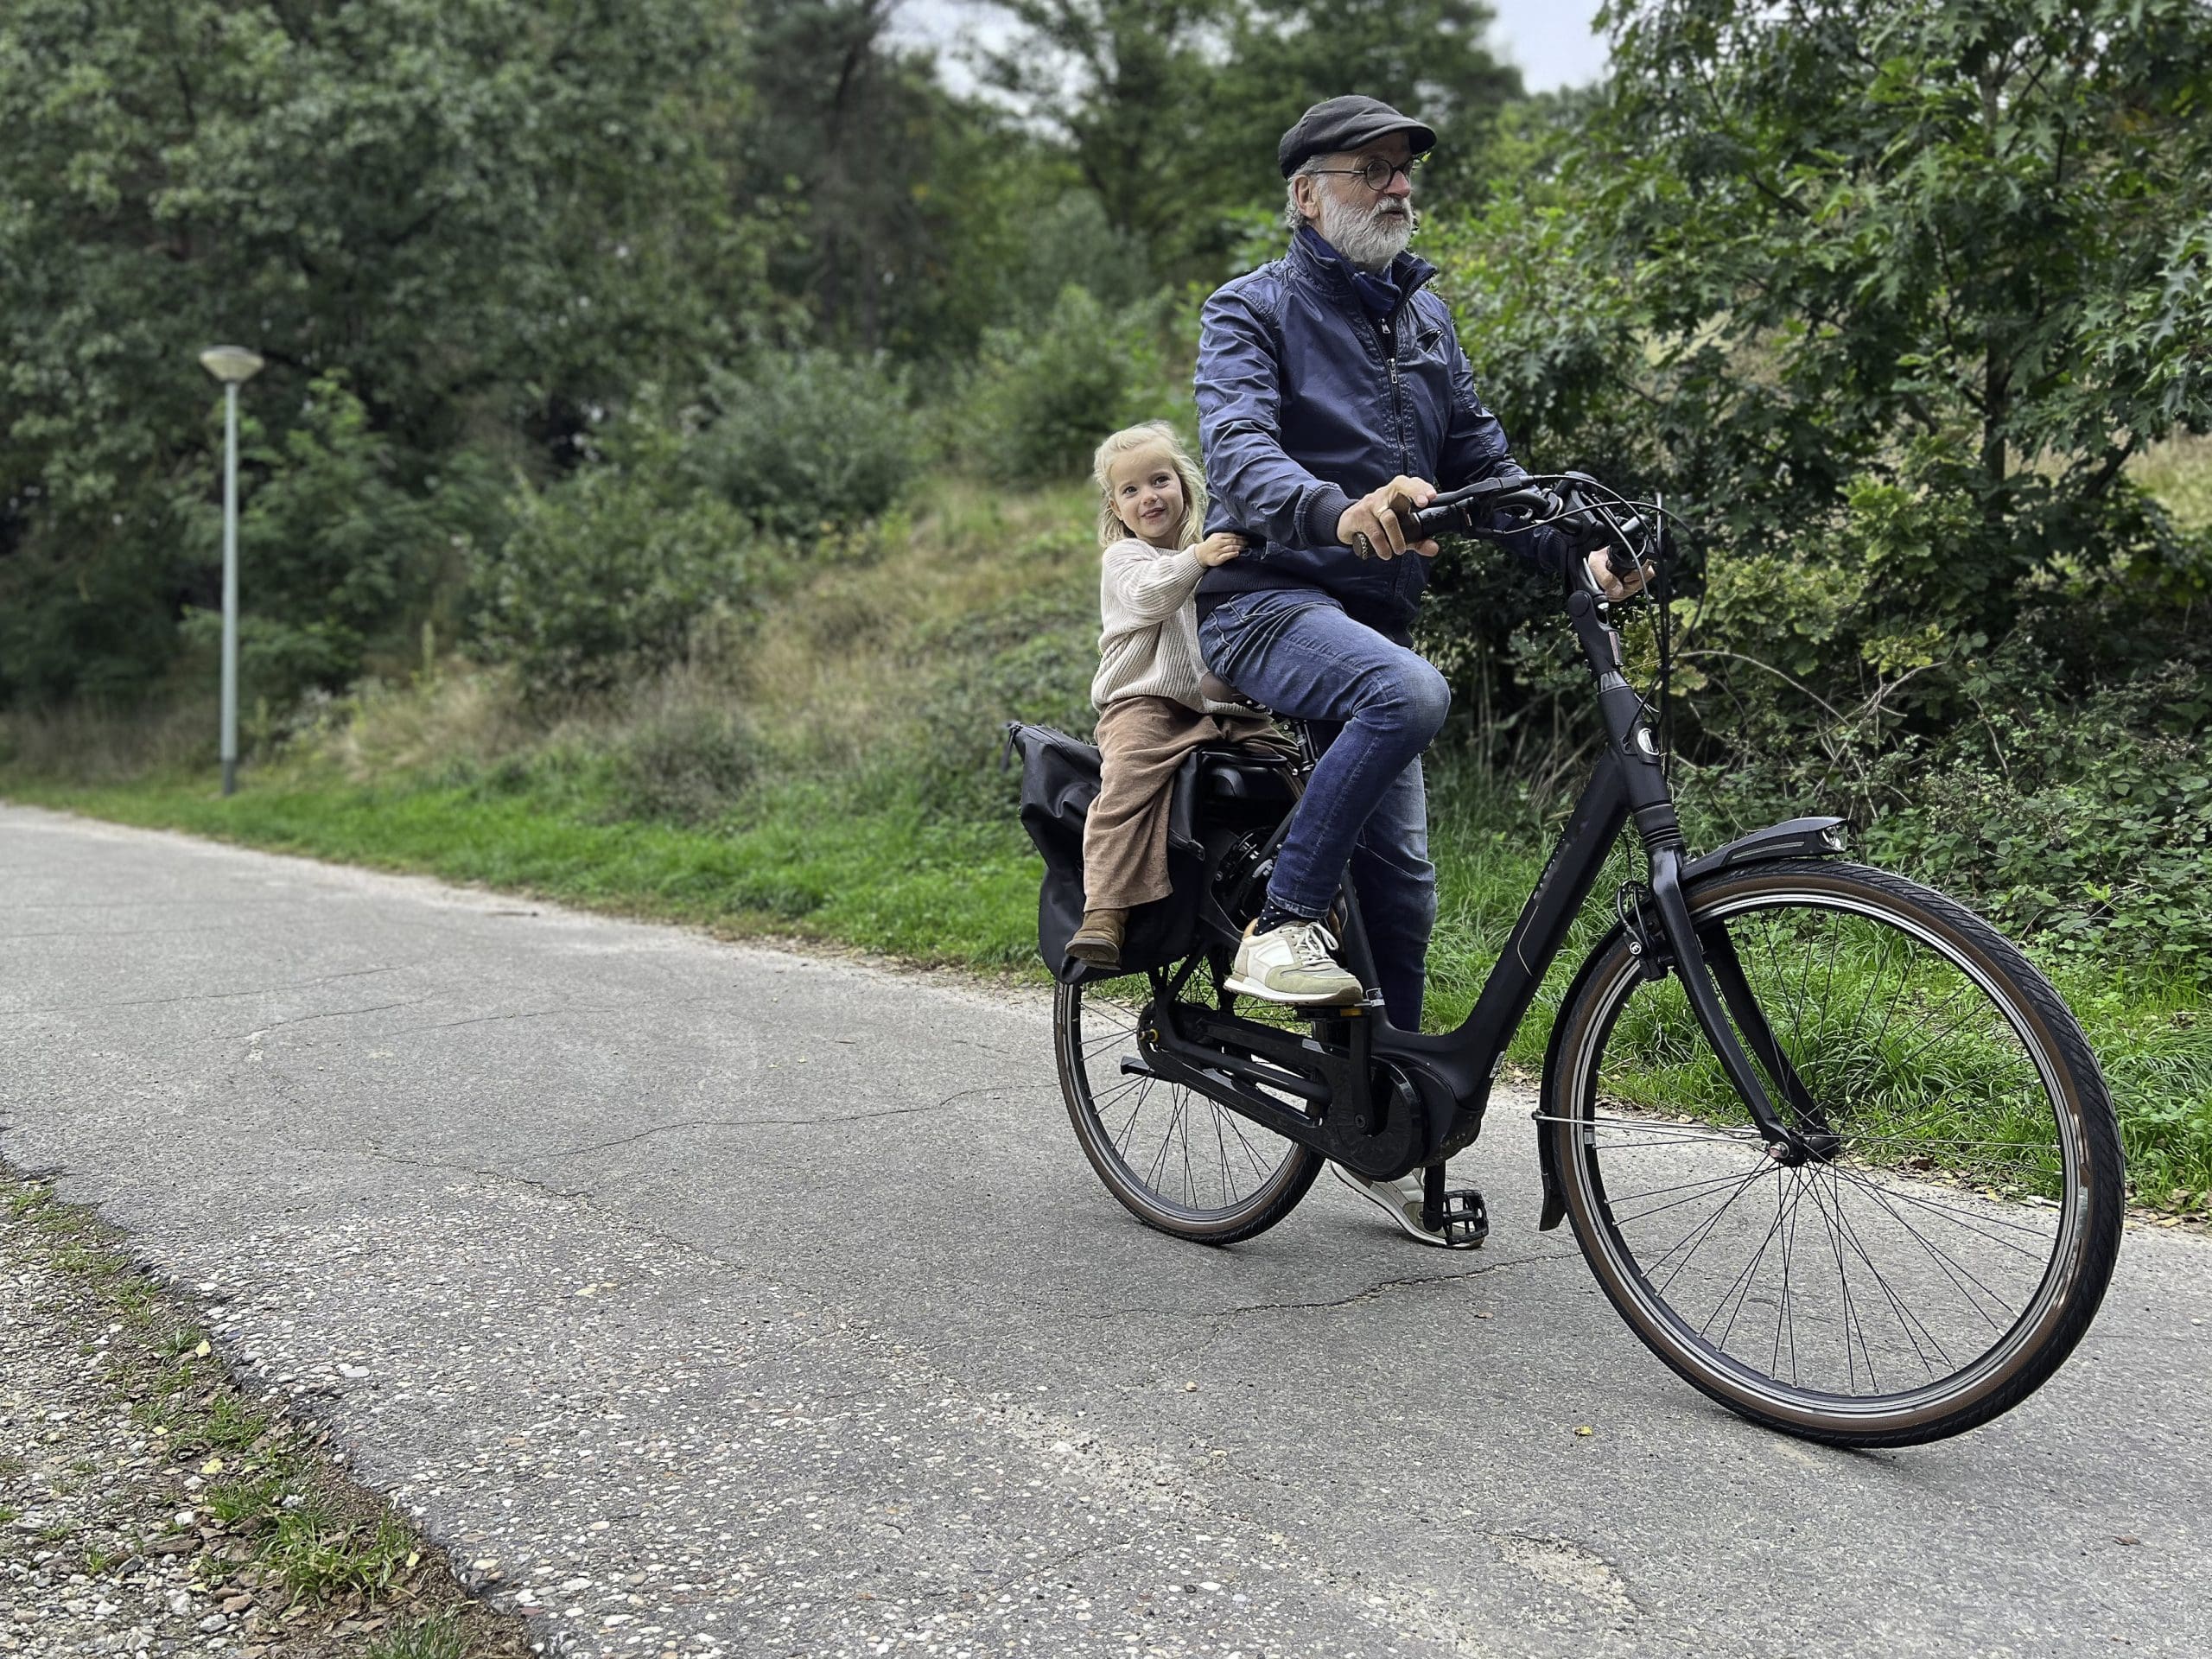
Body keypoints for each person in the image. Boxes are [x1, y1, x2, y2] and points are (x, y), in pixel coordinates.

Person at [1192, 95, 1643, 1243]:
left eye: (1404, 171)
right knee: (1410, 693)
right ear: (1307, 193)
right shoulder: (1251, 310)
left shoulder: (1423, 321)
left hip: (1371, 629)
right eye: (1369, 169)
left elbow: (1487, 474)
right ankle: (1280, 926)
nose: (1396, 186)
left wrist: (1584, 543)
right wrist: (1338, 511)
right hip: (1266, 604)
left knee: (1406, 891)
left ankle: (1385, 1126)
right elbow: (1241, 460)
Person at [1065, 423, 1276, 969]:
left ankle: (1294, 903)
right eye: (1130, 491)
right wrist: (1199, 560)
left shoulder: (1211, 545)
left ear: (1184, 484)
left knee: (1290, 769)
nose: (1148, 497)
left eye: (1159, 480)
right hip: (1143, 701)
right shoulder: (1126, 560)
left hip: (1222, 709)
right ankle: (1106, 910)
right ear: (1116, 508)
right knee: (1128, 782)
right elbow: (1149, 597)